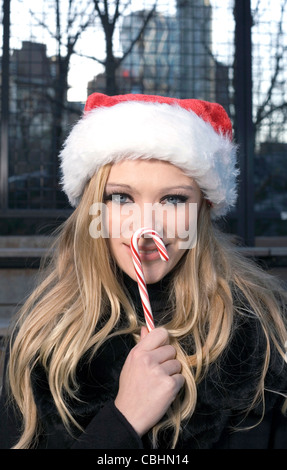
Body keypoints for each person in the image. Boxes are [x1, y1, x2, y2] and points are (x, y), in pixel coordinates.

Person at [0, 93, 287, 450]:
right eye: (121, 197)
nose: (147, 227)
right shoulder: (40, 338)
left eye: (174, 199)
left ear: (201, 212)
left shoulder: (260, 334)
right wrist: (124, 421)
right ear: (94, 209)